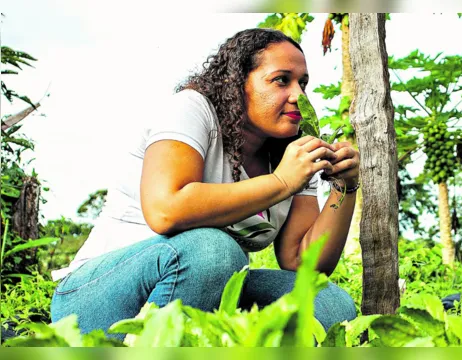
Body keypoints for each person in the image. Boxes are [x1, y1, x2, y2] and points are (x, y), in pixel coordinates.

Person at [50, 28, 360, 340]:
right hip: (96, 297)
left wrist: (344, 187)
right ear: (238, 83)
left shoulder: (291, 151)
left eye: (302, 83)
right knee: (215, 251)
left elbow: (302, 262)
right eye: (282, 80)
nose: (299, 95)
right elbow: (165, 209)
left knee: (328, 304)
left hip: (199, 289)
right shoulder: (191, 109)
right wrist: (281, 182)